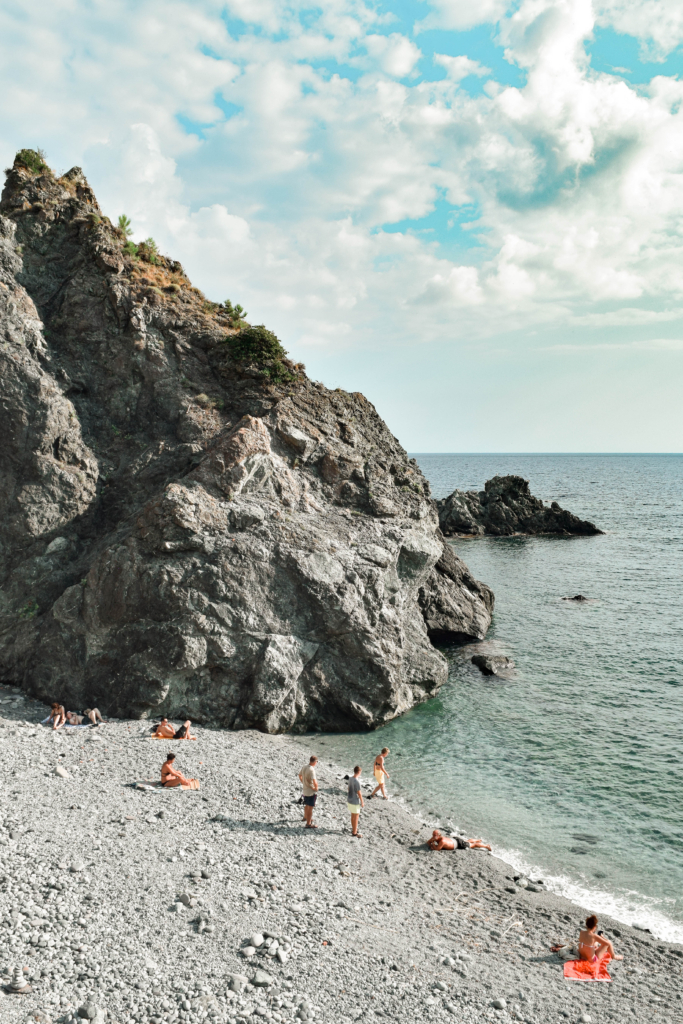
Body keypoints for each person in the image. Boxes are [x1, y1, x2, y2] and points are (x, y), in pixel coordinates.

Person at [298, 755, 319, 829]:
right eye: (317, 762)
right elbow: (315, 782)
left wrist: (303, 782)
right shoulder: (312, 770)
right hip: (311, 791)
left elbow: (299, 775)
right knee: (310, 807)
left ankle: (305, 817)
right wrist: (316, 788)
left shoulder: (304, 767)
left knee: (306, 804)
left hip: (305, 790)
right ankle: (308, 824)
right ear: (315, 762)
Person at [427, 829, 492, 851]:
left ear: (439, 835)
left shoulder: (442, 841)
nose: (433, 836)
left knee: (473, 845)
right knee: (467, 841)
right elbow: (428, 842)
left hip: (458, 844)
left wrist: (432, 844)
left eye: (434, 835)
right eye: (433, 834)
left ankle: (486, 846)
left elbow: (437, 849)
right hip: (454, 839)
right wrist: (430, 845)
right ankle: (478, 840)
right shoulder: (435, 837)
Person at [347, 765, 364, 838]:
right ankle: (354, 832)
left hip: (349, 799)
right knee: (356, 816)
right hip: (355, 801)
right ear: (359, 772)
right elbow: (359, 793)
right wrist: (362, 801)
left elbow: (348, 789)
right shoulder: (357, 782)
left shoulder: (350, 778)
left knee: (352, 815)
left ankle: (354, 828)